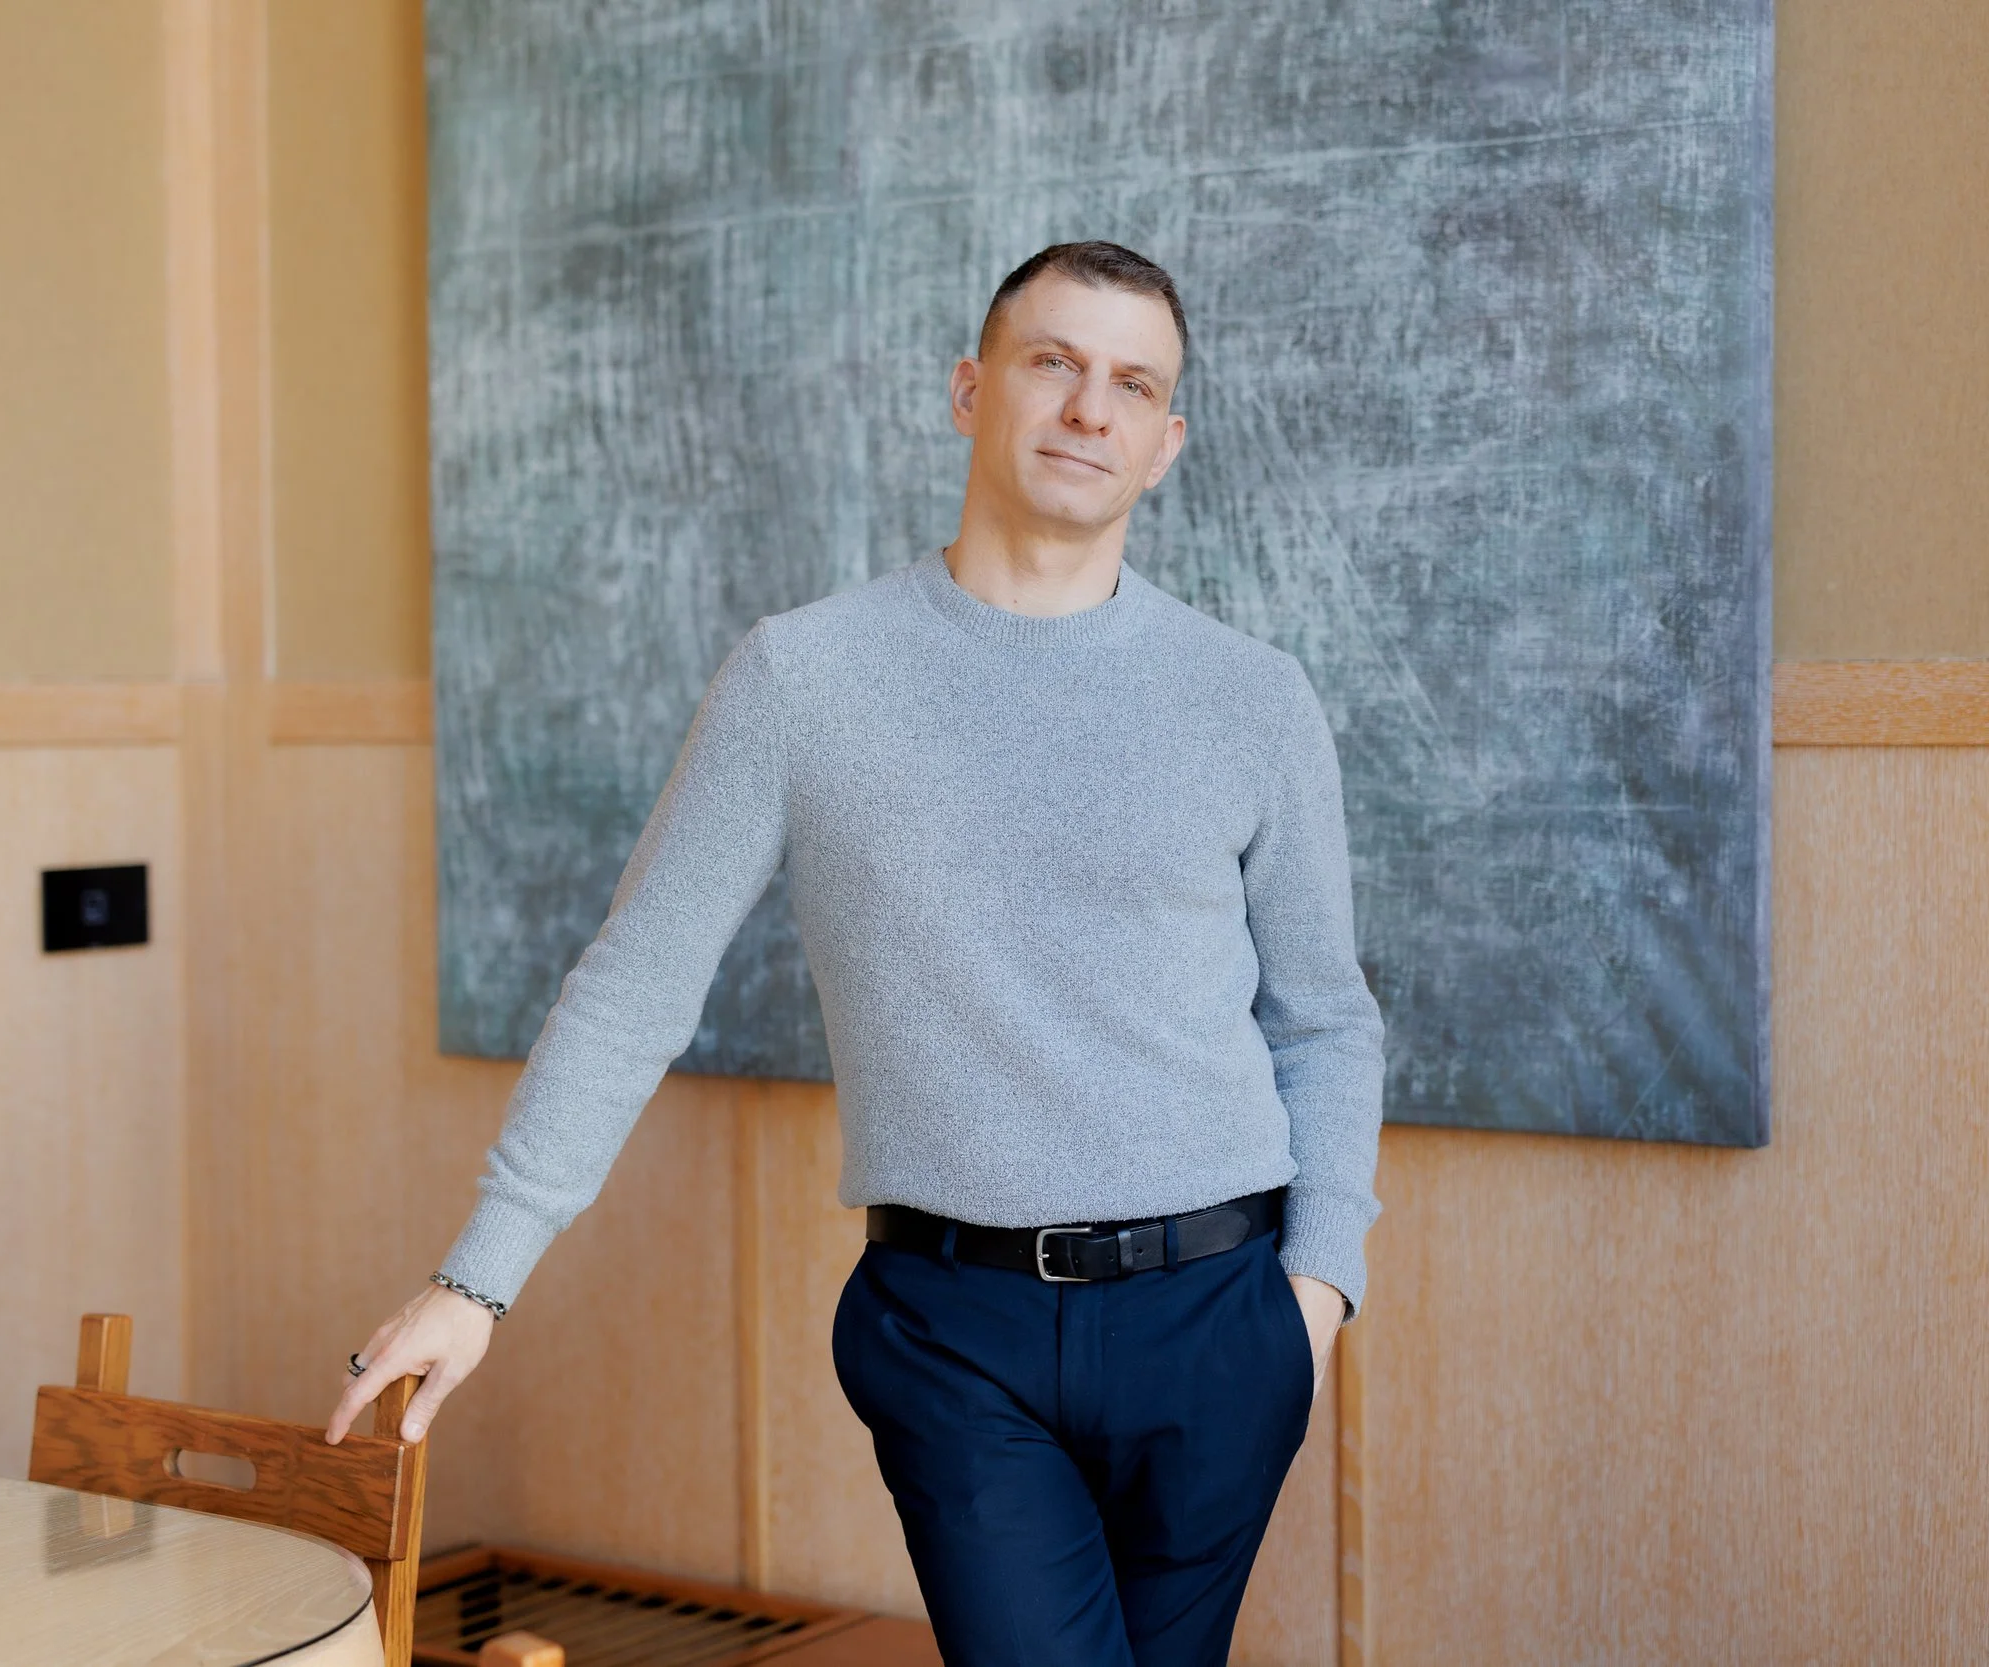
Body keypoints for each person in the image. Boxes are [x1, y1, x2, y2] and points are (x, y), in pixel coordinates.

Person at [328, 241, 1385, 1667]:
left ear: (1167, 443)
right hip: (954, 1331)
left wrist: (1316, 1291)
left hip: (1222, 1314)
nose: (1091, 408)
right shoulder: (801, 676)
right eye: (1053, 363)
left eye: (1133, 385)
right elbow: (636, 985)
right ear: (969, 390)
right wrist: (477, 1279)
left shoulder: (1253, 697)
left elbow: (1324, 1019)